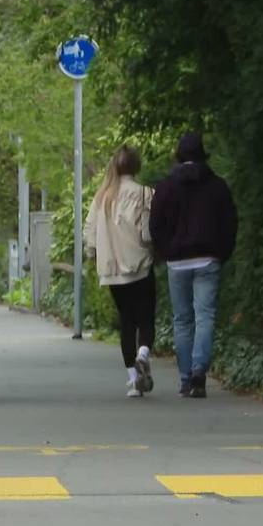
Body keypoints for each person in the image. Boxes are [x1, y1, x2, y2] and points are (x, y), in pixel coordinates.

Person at [149, 131, 237, 398]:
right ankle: (200, 371)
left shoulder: (166, 187)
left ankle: (186, 378)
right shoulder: (217, 186)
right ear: (202, 155)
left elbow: (155, 225)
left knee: (182, 320)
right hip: (208, 258)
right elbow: (230, 223)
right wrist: (221, 253)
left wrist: (166, 251)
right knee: (205, 315)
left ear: (178, 155)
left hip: (177, 262)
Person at [85, 146, 156, 398]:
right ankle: (143, 354)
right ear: (136, 166)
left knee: (126, 322)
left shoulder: (102, 197)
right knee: (146, 317)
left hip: (112, 270)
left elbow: (90, 235)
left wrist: (93, 256)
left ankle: (133, 379)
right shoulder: (146, 194)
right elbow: (150, 233)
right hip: (140, 267)